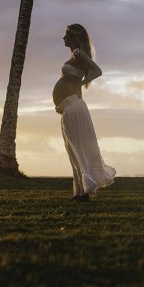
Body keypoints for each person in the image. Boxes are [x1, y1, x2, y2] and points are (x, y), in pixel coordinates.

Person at [53, 24, 116, 201]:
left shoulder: (79, 54)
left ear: (74, 37)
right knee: (72, 150)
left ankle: (84, 192)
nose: (63, 38)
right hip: (69, 107)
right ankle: (80, 192)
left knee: (78, 149)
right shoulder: (75, 55)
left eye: (66, 35)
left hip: (74, 106)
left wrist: (80, 84)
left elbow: (98, 71)